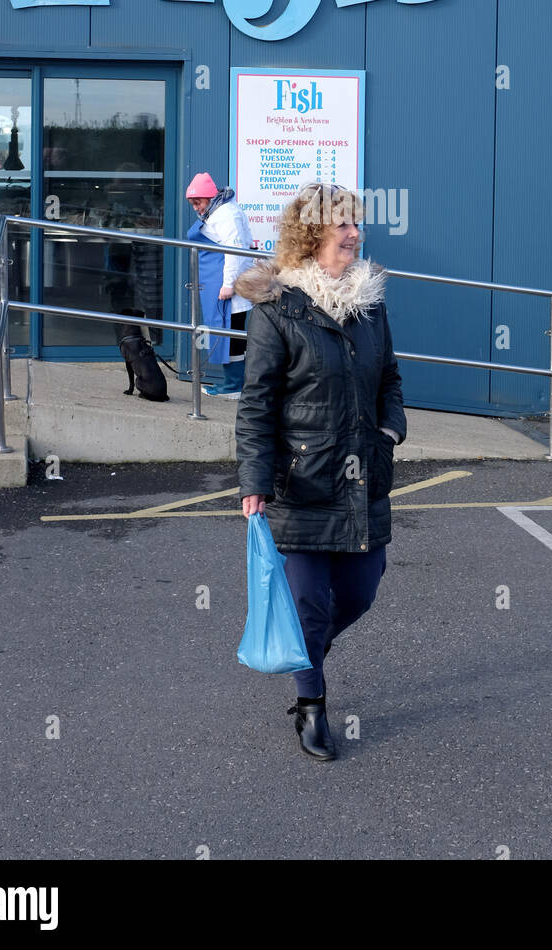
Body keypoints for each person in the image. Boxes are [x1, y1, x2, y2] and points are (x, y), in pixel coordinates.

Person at [233, 182, 406, 761]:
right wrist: (254, 482)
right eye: (343, 225)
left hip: (363, 478)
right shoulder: (277, 309)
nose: (355, 234)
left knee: (360, 592)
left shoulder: (371, 304)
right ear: (312, 234)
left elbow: (390, 381)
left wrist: (390, 431)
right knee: (308, 603)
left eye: (357, 223)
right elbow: (256, 403)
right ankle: (312, 704)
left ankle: (303, 654)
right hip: (300, 482)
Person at [186, 173, 255, 396]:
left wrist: (228, 285)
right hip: (222, 286)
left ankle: (234, 386)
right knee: (228, 335)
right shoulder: (217, 211)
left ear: (209, 197)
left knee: (231, 337)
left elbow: (233, 252)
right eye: (193, 203)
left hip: (230, 290)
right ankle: (233, 383)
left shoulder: (226, 215)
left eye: (198, 202)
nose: (196, 208)